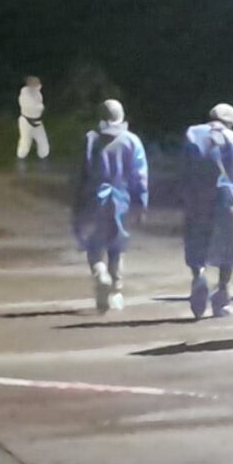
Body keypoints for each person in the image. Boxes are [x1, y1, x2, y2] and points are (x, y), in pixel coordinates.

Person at [72, 99, 149, 314]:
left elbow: (80, 174)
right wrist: (141, 204)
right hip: (122, 200)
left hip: (94, 199)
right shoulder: (132, 141)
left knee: (94, 246)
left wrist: (77, 203)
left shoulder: (91, 139)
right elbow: (140, 177)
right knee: (117, 247)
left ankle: (100, 275)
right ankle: (116, 291)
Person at [182, 103, 233, 319]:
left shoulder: (193, 133)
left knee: (196, 241)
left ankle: (199, 276)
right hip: (229, 200)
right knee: (228, 249)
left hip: (199, 199)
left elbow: (185, 169)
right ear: (231, 122)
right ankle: (222, 293)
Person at [16, 76, 50, 170]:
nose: (39, 84)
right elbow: (32, 107)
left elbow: (39, 107)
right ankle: (20, 162)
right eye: (36, 83)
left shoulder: (37, 93)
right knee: (25, 143)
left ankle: (44, 161)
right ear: (30, 84)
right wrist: (40, 107)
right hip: (26, 122)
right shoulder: (24, 94)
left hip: (37, 122)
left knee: (43, 143)